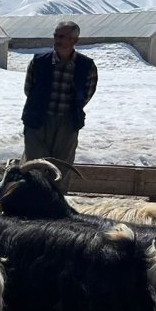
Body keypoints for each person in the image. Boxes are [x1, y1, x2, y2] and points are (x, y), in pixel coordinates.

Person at [21, 20, 98, 192]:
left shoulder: (86, 66)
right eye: (56, 35)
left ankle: (56, 208)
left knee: (61, 167)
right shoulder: (39, 62)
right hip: (37, 122)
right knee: (35, 165)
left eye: (62, 36)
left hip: (67, 124)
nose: (57, 40)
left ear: (74, 41)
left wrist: (68, 114)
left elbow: (86, 95)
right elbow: (29, 90)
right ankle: (31, 207)